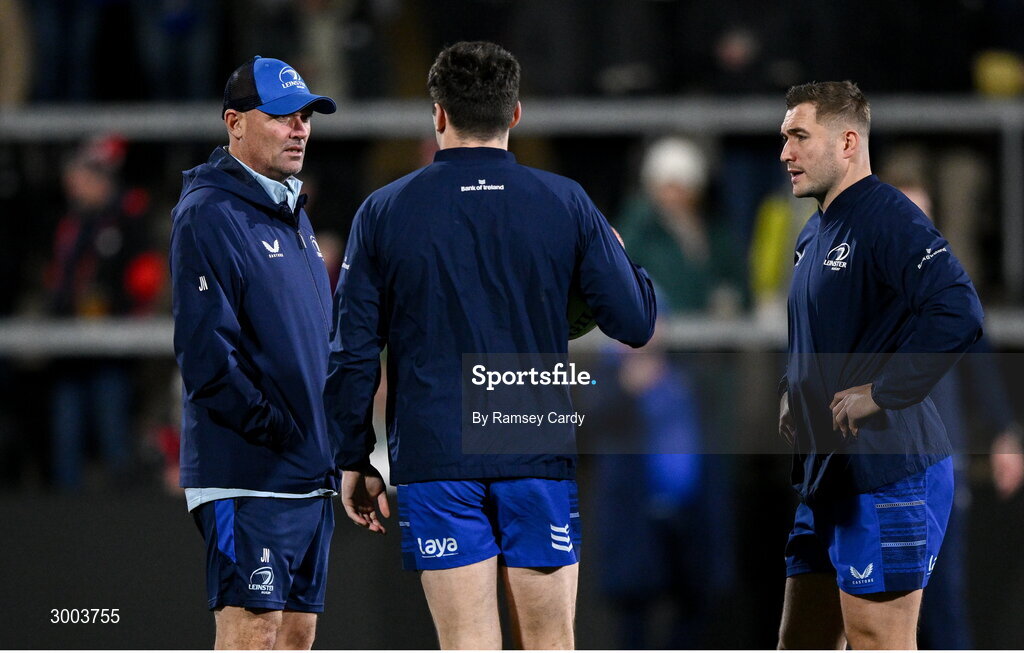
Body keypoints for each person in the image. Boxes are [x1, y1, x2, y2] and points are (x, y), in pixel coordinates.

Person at [326, 41, 657, 649]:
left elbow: (351, 351)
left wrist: (352, 456)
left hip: (436, 446)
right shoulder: (566, 203)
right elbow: (635, 323)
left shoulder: (383, 212)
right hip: (528, 431)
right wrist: (618, 252)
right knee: (551, 642)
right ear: (516, 115)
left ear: (438, 114)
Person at [776, 81, 984, 649]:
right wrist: (791, 389)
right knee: (802, 641)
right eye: (783, 137)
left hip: (889, 470)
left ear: (848, 142)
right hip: (830, 472)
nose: (784, 152)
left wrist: (884, 391)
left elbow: (959, 310)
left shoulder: (887, 216)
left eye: (799, 136)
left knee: (878, 640)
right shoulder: (815, 232)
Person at [169, 56, 338, 650]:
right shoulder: (210, 214)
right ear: (234, 122)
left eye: (306, 116)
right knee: (251, 631)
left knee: (295, 635)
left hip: (308, 473)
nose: (300, 129)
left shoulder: (291, 212)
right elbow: (204, 353)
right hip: (252, 471)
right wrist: (277, 428)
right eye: (283, 117)